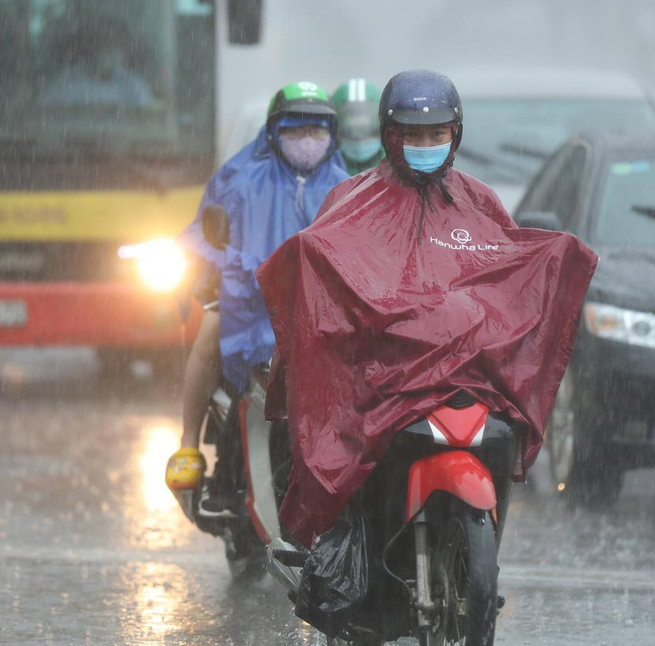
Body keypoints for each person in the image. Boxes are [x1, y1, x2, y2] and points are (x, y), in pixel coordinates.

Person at [257, 69, 598, 545]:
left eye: (436, 133)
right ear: (389, 135)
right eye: (412, 134)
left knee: (500, 438)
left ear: (454, 134)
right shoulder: (350, 199)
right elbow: (322, 286)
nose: (425, 142)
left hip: (468, 378)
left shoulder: (479, 201)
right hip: (382, 377)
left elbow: (505, 283)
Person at [166, 82, 348, 513]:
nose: (307, 140)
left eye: (317, 130)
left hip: (319, 315)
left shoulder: (348, 188)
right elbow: (202, 235)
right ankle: (188, 446)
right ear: (273, 132)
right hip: (251, 304)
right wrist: (223, 271)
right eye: (296, 129)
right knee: (211, 329)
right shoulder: (239, 179)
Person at [40, 18, 152, 108]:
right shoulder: (67, 82)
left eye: (115, 46)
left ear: (123, 50)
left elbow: (144, 123)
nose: (109, 51)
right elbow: (43, 115)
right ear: (92, 47)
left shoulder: (134, 86)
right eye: (104, 43)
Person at [329, 78, 385, 174]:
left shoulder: (395, 168)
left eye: (366, 130)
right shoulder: (330, 173)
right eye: (349, 131)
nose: (359, 141)